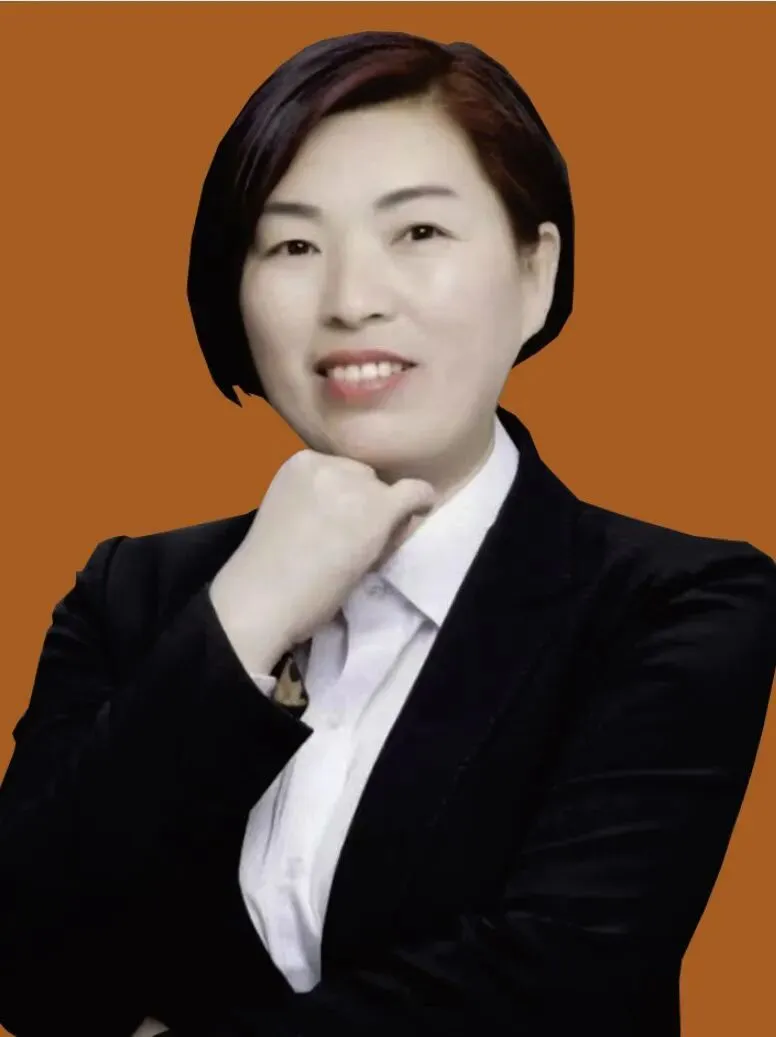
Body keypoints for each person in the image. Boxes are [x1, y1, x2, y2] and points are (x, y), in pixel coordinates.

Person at [1, 29, 774, 1037]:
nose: (351, 300)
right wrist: (248, 613)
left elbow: (557, 982)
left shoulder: (675, 601)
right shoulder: (132, 593)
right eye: (293, 245)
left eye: (417, 232)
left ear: (535, 272)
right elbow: (26, 958)